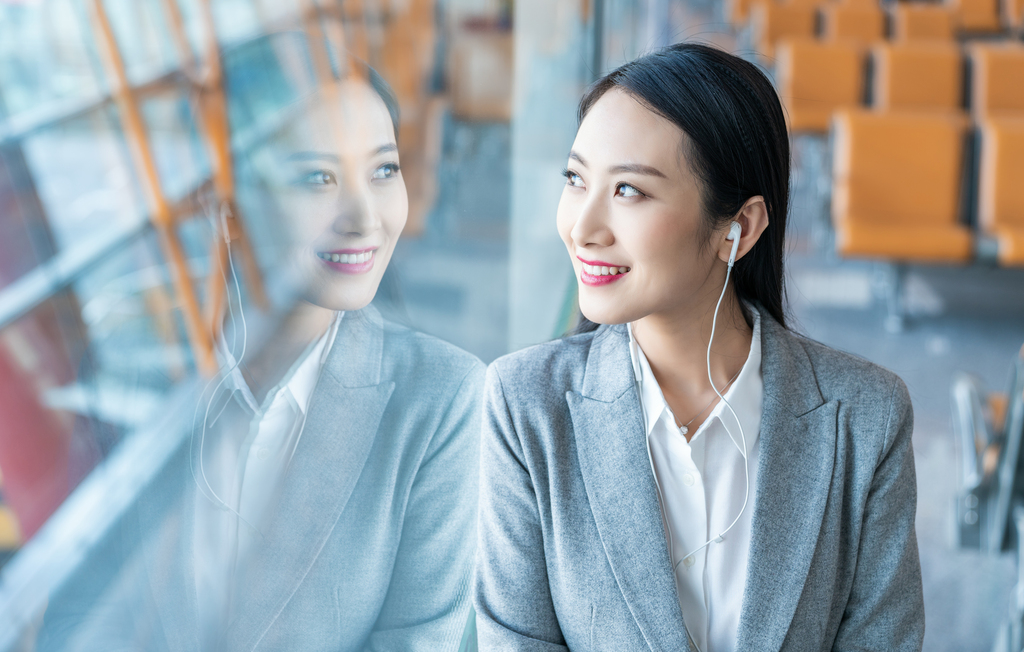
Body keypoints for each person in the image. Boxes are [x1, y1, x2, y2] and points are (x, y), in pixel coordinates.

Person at [474, 42, 924, 651]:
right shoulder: (524, 406)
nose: (582, 228)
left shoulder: (865, 419)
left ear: (739, 227)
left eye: (629, 190)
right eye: (577, 179)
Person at [39, 40, 482, 652]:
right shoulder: (144, 360)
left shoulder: (442, 399)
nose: (364, 215)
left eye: (384, 169)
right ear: (222, 200)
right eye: (316, 177)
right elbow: (77, 609)